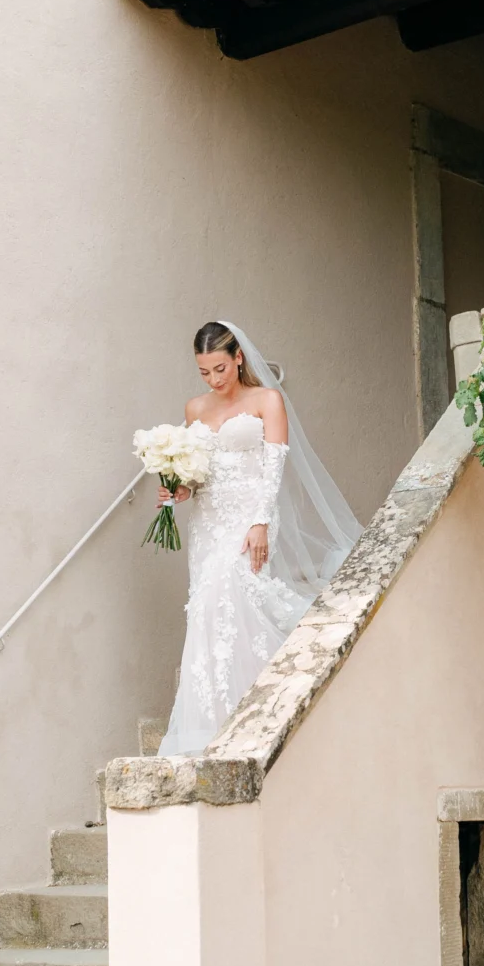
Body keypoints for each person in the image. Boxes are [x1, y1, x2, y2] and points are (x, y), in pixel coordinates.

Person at [159, 319, 360, 755]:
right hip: (209, 522)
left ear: (238, 358)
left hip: (251, 517)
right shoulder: (195, 410)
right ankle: (215, 721)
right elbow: (199, 476)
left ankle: (256, 705)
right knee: (207, 609)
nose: (214, 380)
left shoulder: (267, 399)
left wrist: (260, 522)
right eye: (204, 372)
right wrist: (180, 490)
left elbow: (275, 466)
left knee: (234, 593)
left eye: (220, 369)